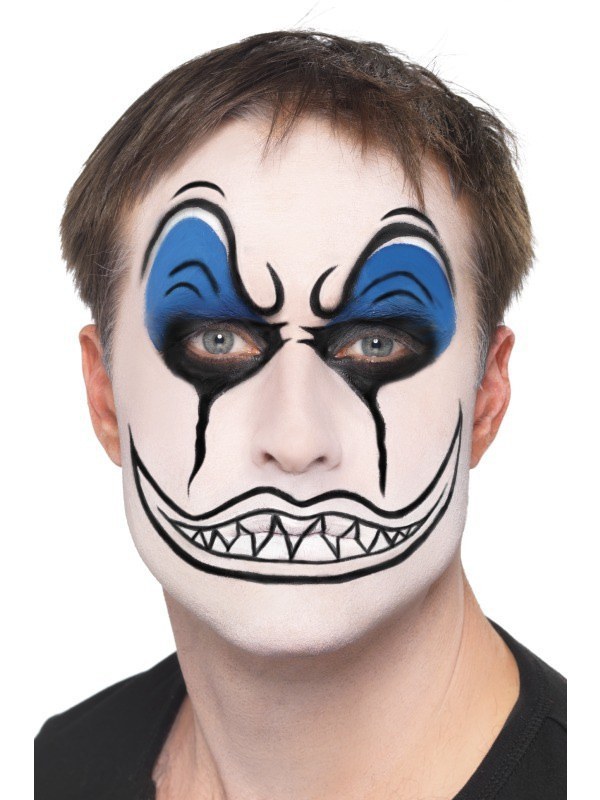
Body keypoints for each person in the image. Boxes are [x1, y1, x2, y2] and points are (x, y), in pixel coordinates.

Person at [35, 30, 566, 800]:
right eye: (217, 339)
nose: (295, 441)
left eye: (377, 341)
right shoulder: (51, 768)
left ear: (486, 396)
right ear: (104, 395)